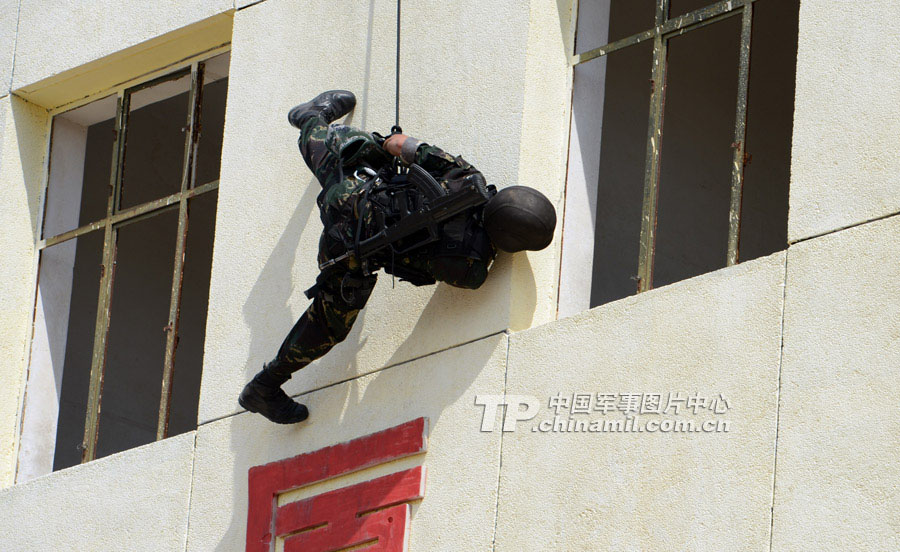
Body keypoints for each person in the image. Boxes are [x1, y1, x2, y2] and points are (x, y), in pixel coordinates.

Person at [239, 90, 556, 423]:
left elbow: (399, 145)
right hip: (350, 250)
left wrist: (388, 146)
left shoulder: (468, 177)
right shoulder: (471, 270)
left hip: (353, 197)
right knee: (329, 326)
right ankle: (265, 386)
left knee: (349, 153)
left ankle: (311, 119)